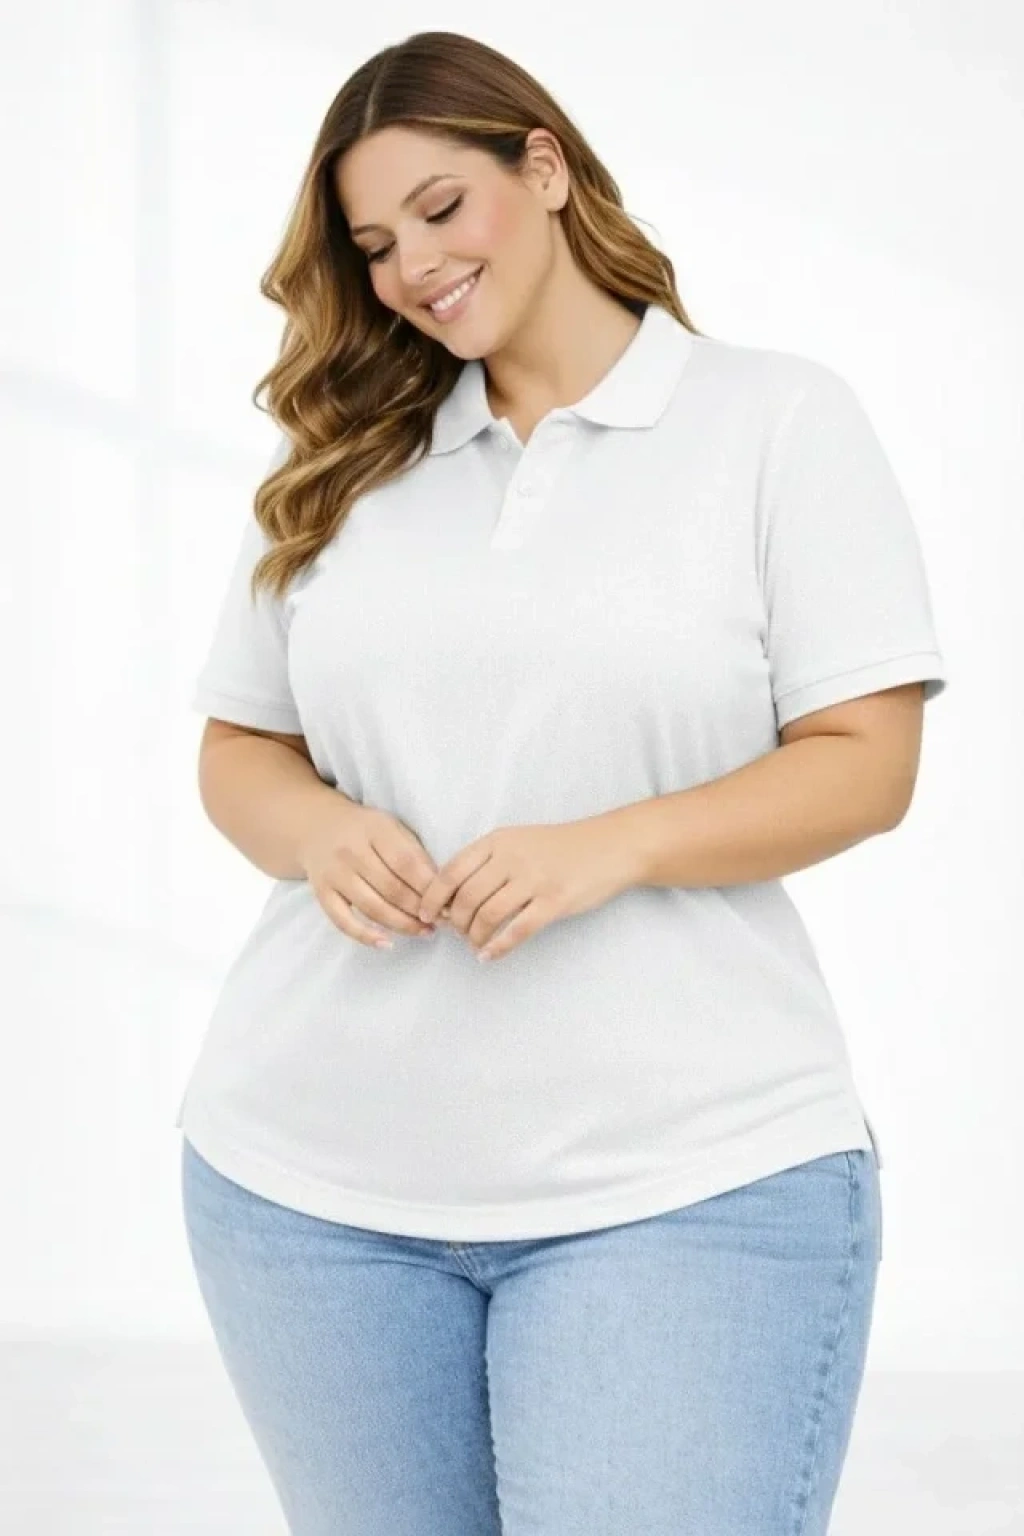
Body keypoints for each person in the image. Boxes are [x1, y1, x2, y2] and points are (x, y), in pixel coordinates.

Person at [178, 28, 947, 1536]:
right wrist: (320, 830)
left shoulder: (775, 423)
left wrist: (613, 846)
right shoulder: (348, 457)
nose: (412, 269)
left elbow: (869, 764)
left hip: (689, 1186)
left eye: (440, 209)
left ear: (542, 166)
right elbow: (239, 747)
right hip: (311, 1194)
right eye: (375, 246)